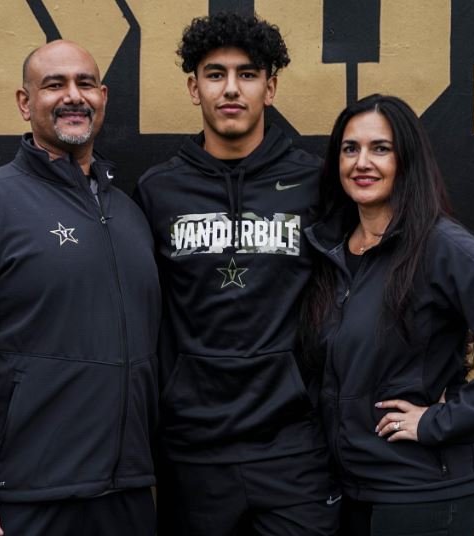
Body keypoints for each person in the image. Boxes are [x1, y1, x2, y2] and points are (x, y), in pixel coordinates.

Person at [134, 12, 341, 536]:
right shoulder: (159, 190)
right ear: (192, 87)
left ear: (270, 88)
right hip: (193, 452)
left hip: (295, 445)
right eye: (215, 73)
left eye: (247, 74)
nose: (231, 89)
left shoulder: (314, 183)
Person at [0, 40, 160, 536]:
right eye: (54, 85)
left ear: (103, 97)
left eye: (85, 84)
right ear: (25, 103)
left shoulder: (131, 215)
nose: (72, 96)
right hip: (20, 501)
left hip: (125, 498)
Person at [299, 93, 474, 535]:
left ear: (406, 159)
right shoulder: (331, 251)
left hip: (423, 494)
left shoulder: (439, 245)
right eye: (350, 148)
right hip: (351, 492)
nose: (362, 162)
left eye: (380, 148)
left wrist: (443, 420)